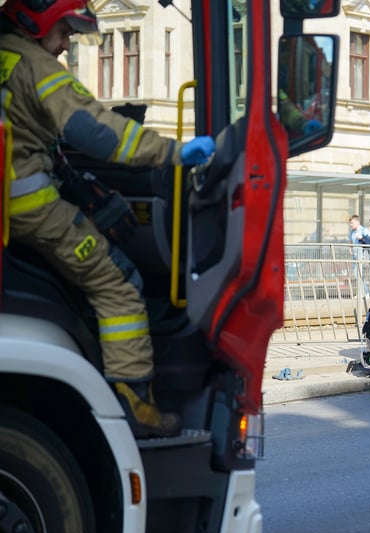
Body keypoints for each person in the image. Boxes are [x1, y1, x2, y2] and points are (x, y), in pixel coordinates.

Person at [0, 0, 216, 438]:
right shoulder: (35, 64)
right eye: (63, 32)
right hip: (30, 208)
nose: (64, 46)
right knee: (118, 286)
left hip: (11, 207)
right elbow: (97, 130)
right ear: (32, 21)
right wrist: (174, 152)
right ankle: (134, 404)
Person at [348, 214, 370, 297]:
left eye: (352, 223)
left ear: (357, 222)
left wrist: (362, 238)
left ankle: (365, 293)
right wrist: (350, 248)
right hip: (355, 256)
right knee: (357, 275)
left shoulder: (363, 230)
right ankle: (361, 293)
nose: (351, 225)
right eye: (350, 223)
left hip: (362, 255)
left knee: (358, 274)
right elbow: (351, 241)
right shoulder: (352, 232)